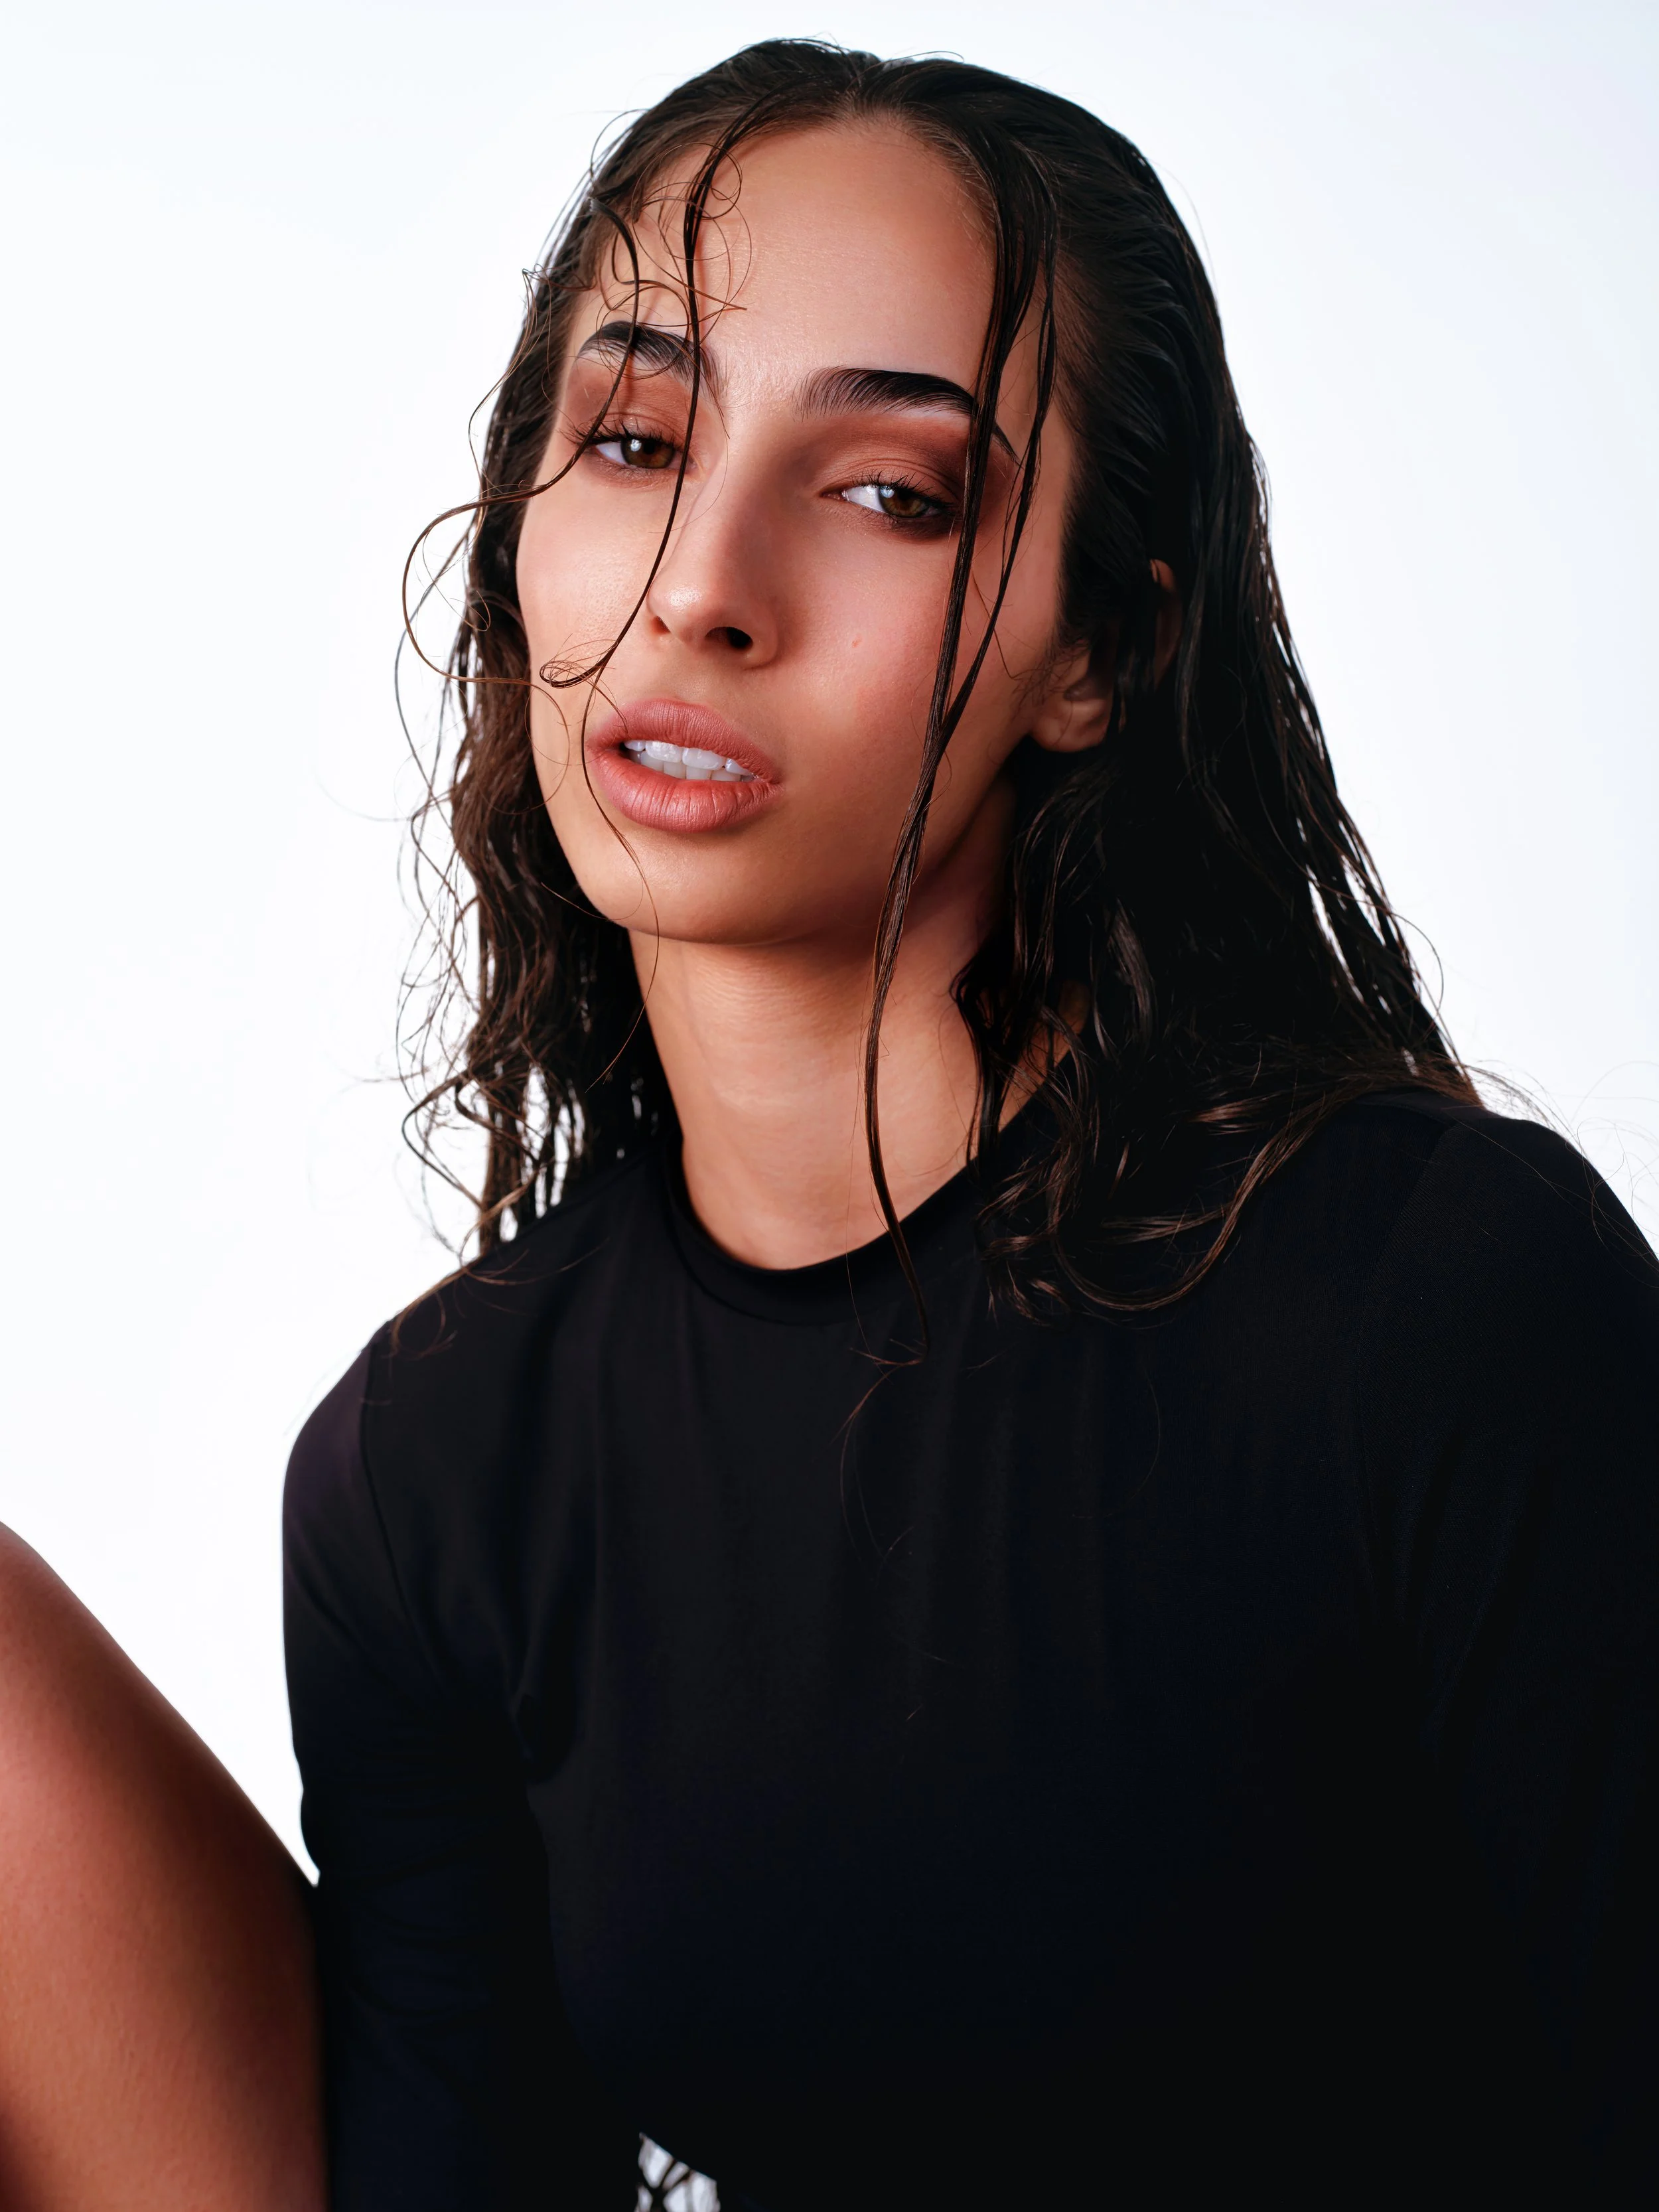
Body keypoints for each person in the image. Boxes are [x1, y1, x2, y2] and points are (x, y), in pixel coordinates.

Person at [2, 38, 1654, 2211]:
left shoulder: (1435, 1297)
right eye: (633, 440)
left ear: (1095, 650)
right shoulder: (436, 1480)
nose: (703, 583)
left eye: (890, 491)